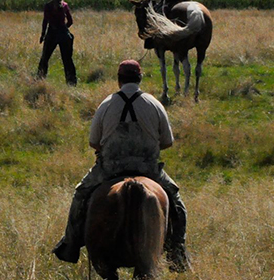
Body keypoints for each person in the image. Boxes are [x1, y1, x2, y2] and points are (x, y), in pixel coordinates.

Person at [52, 60, 191, 272]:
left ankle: (70, 244)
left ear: (119, 80)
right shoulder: (154, 104)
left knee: (80, 194)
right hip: (148, 169)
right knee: (176, 201)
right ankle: (177, 250)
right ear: (140, 78)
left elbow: (93, 142)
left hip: (110, 168)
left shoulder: (106, 104)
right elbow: (167, 142)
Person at [38, 0, 77, 86]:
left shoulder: (48, 6)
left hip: (52, 34)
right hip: (64, 34)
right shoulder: (65, 5)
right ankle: (71, 82)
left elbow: (45, 22)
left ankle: (40, 80)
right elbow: (70, 21)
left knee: (45, 59)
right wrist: (64, 29)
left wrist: (42, 35)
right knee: (67, 60)